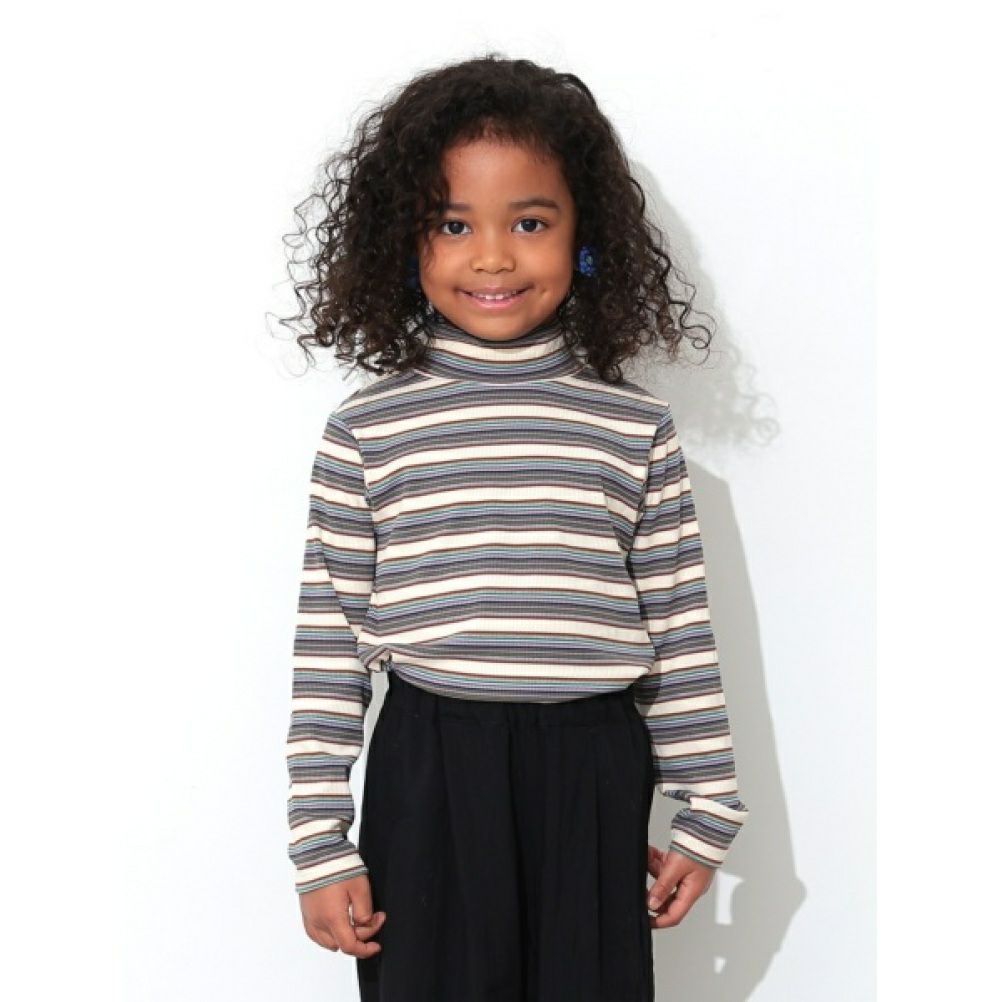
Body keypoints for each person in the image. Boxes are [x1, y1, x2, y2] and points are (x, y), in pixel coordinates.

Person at [279, 53, 750, 1002]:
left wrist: (708, 809)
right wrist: (319, 843)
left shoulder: (632, 428)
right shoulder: (369, 429)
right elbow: (330, 644)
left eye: (529, 222)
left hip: (592, 768)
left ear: (586, 235)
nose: (492, 257)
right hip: (430, 767)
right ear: (403, 242)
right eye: (453, 224)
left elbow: (678, 627)